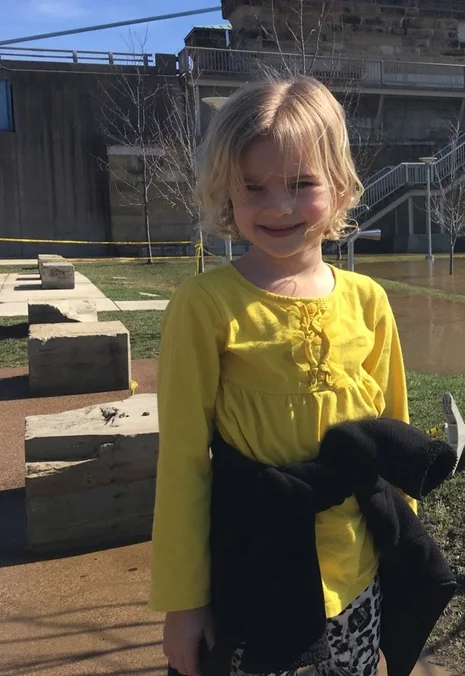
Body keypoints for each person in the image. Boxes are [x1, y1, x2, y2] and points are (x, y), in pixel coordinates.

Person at [150, 75, 413, 676]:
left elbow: (395, 436)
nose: (278, 207)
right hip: (255, 569)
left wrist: (403, 551)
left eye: (301, 185)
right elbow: (184, 462)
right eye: (254, 187)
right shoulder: (204, 305)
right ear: (226, 193)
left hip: (357, 575)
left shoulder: (370, 299)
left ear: (340, 187)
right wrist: (183, 603)